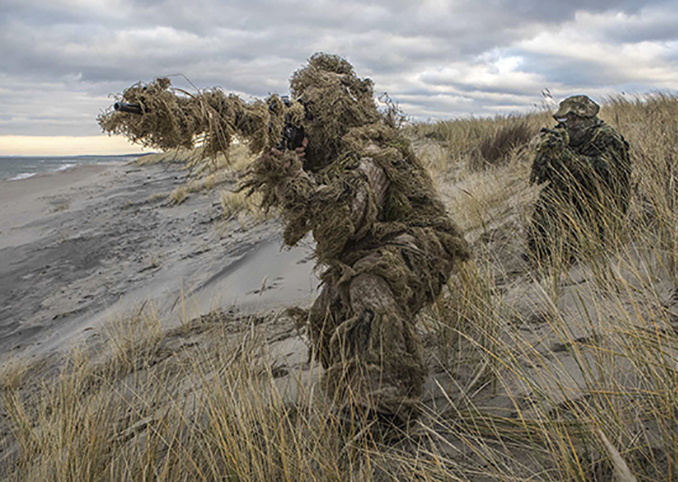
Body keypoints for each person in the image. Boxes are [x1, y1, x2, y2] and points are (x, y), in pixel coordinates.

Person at [99, 53, 470, 432]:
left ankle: (386, 410)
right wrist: (170, 111)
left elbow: (343, 220)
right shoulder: (324, 150)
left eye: (311, 115)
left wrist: (293, 174)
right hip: (373, 245)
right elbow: (245, 116)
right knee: (330, 312)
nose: (302, 124)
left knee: (369, 283)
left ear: (333, 115)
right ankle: (355, 389)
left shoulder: (370, 151)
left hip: (421, 245)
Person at [527, 95, 631, 263]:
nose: (568, 124)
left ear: (587, 119)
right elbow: (544, 177)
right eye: (564, 119)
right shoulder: (563, 134)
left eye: (573, 120)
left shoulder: (606, 137)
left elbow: (604, 172)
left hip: (603, 199)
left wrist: (565, 156)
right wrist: (545, 154)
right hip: (575, 191)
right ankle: (540, 253)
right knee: (548, 199)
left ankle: (578, 252)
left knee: (586, 241)